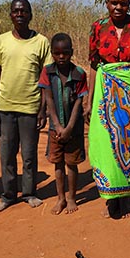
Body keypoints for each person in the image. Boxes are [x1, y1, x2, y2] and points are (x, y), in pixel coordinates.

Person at [85, 0, 130, 219]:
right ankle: (111, 198)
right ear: (106, 3)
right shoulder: (98, 27)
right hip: (105, 92)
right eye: (114, 3)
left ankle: (126, 197)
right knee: (105, 144)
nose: (118, 7)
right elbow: (94, 66)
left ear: (129, 3)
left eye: (123, 3)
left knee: (129, 143)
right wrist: (89, 99)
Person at [0, 0, 52, 212]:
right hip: (6, 107)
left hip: (30, 107)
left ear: (30, 15)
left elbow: (46, 79)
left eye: (24, 11)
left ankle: (29, 193)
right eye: (16, 11)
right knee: (7, 154)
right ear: (10, 15)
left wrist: (43, 110)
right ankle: (8, 195)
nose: (19, 15)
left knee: (28, 155)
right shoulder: (0, 41)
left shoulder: (41, 42)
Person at [38, 33, 88, 215]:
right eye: (57, 53)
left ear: (71, 52)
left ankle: (72, 197)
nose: (61, 57)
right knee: (57, 163)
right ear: (52, 53)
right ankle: (61, 198)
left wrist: (68, 128)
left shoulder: (79, 73)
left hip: (73, 129)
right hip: (55, 128)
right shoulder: (47, 72)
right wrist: (58, 127)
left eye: (65, 53)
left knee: (72, 163)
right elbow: (49, 99)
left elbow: (78, 103)